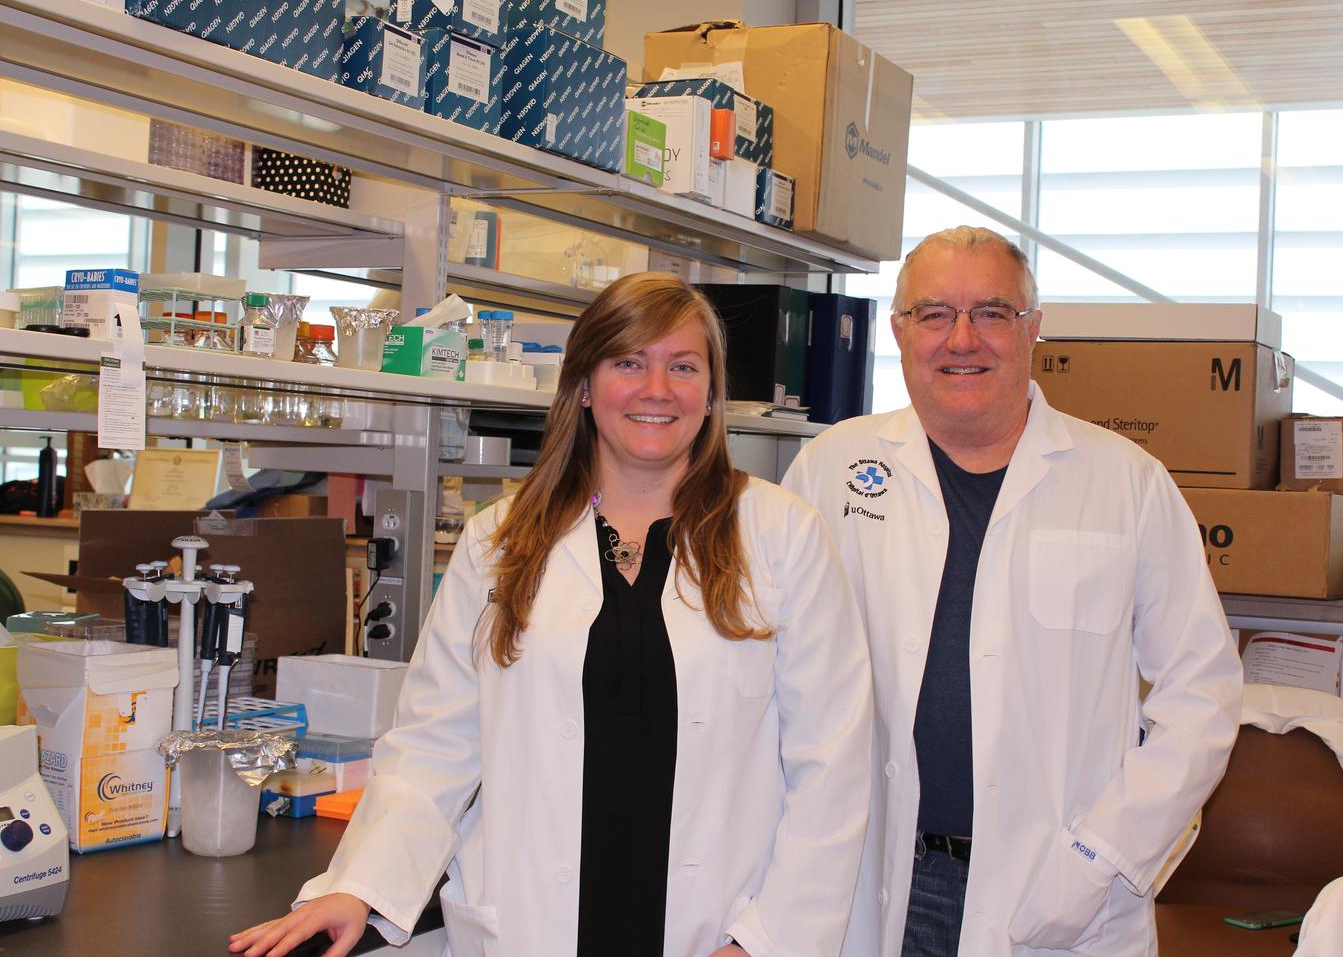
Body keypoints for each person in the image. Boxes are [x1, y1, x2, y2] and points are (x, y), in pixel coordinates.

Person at [231, 272, 873, 957]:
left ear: (712, 394)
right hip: (531, 924)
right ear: (585, 386)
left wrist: (767, 942)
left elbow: (831, 764)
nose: (656, 388)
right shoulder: (500, 543)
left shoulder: (781, 535)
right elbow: (435, 745)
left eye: (682, 366)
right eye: (628, 362)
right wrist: (358, 884)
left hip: (713, 930)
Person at [783, 226, 1244, 957]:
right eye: (934, 314)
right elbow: (781, 680)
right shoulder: (830, 469)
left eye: (992, 313)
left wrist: (1102, 857)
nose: (962, 339)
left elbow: (1204, 693)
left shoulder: (1125, 483)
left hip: (1055, 884)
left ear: (1034, 330)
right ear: (899, 333)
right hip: (870, 879)